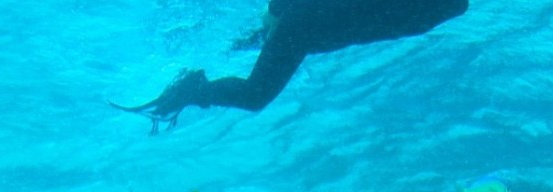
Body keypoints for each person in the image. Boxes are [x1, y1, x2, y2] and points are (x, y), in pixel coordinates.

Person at [115, 0, 470, 130]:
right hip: (307, 25)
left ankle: (195, 84)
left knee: (252, 79)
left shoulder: (452, 5)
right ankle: (193, 88)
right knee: (255, 94)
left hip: (309, 29)